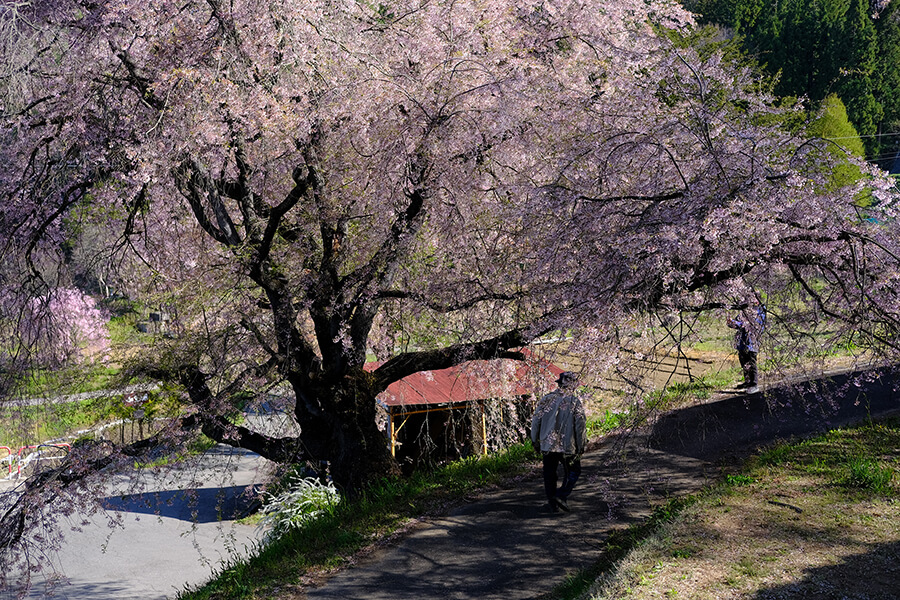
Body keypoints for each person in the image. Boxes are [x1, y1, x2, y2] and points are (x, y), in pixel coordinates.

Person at [531, 371, 587, 513]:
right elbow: (580, 425)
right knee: (574, 471)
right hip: (568, 446)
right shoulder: (574, 402)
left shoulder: (546, 399)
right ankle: (561, 495)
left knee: (549, 474)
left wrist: (535, 441)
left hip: (547, 445)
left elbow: (536, 421)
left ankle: (552, 503)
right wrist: (581, 446)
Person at [726, 305, 766, 394]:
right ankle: (747, 382)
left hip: (752, 341)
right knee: (743, 361)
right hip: (742, 341)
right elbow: (738, 323)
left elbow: (753, 325)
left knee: (751, 362)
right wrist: (731, 323)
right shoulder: (745, 309)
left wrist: (737, 323)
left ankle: (754, 384)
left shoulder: (760, 311)